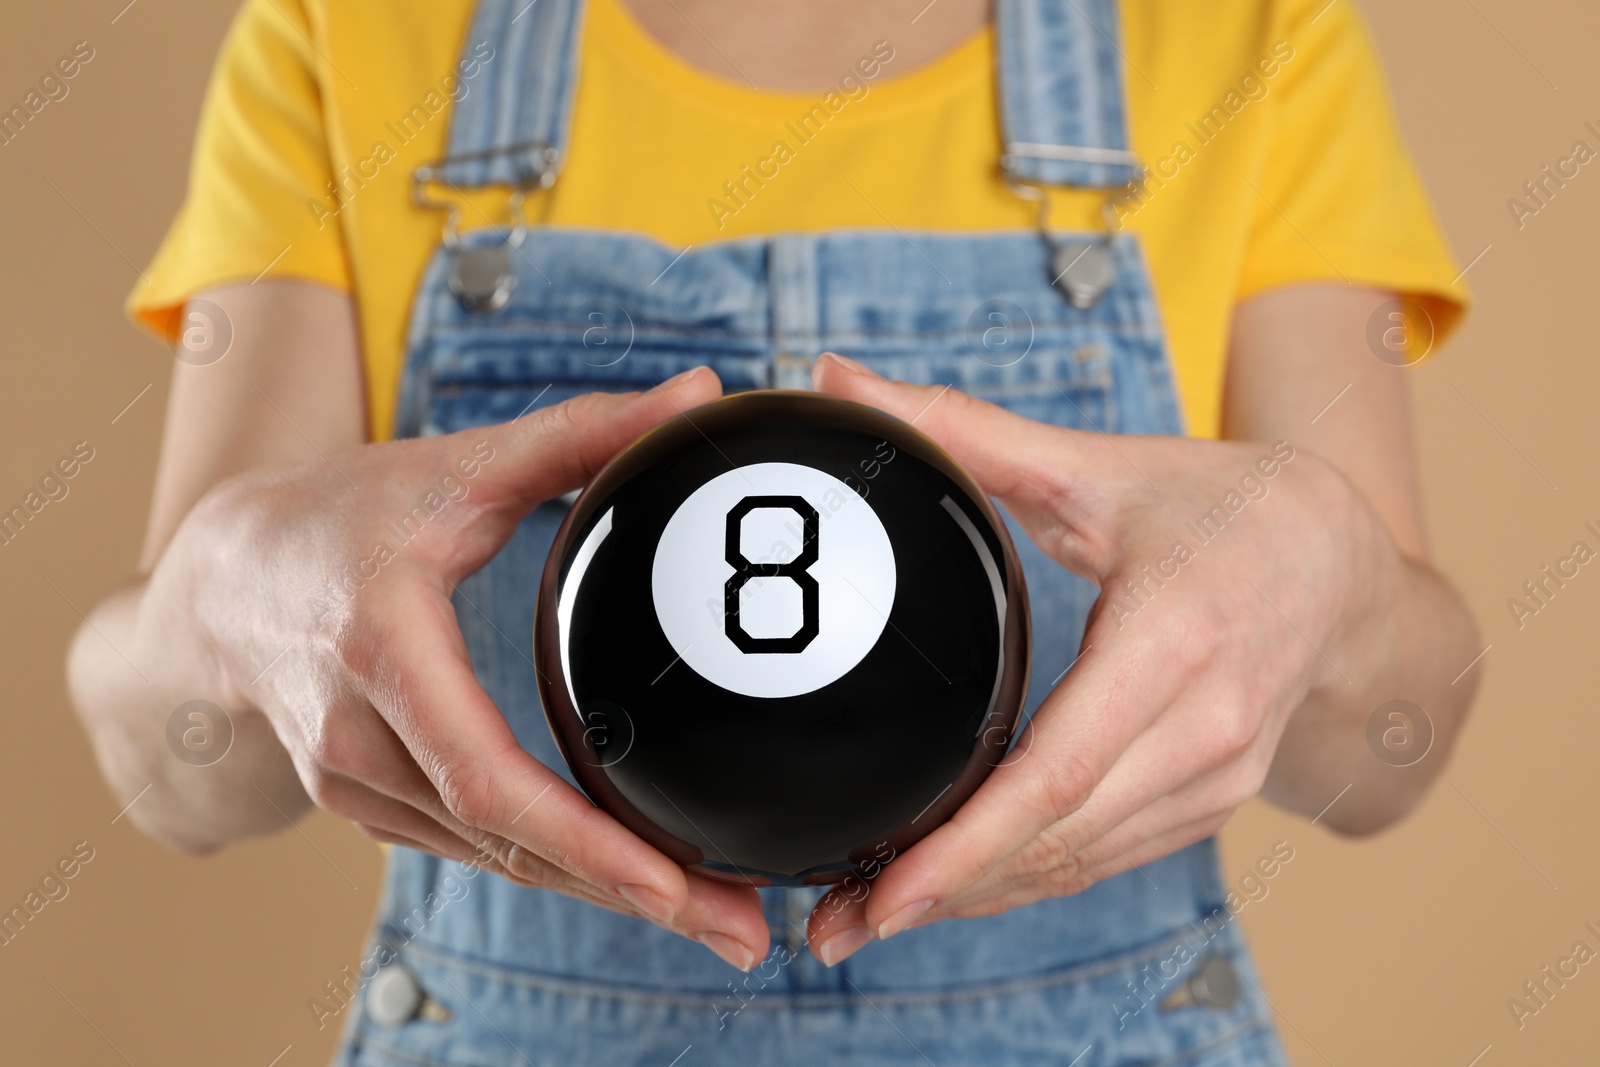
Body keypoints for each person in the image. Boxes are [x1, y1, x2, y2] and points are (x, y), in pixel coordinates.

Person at [67, 0, 1482, 1062]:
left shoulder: (1245, 29)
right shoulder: (351, 29)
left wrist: (1330, 574)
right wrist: (220, 608)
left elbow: (1385, 763)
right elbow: (179, 779)